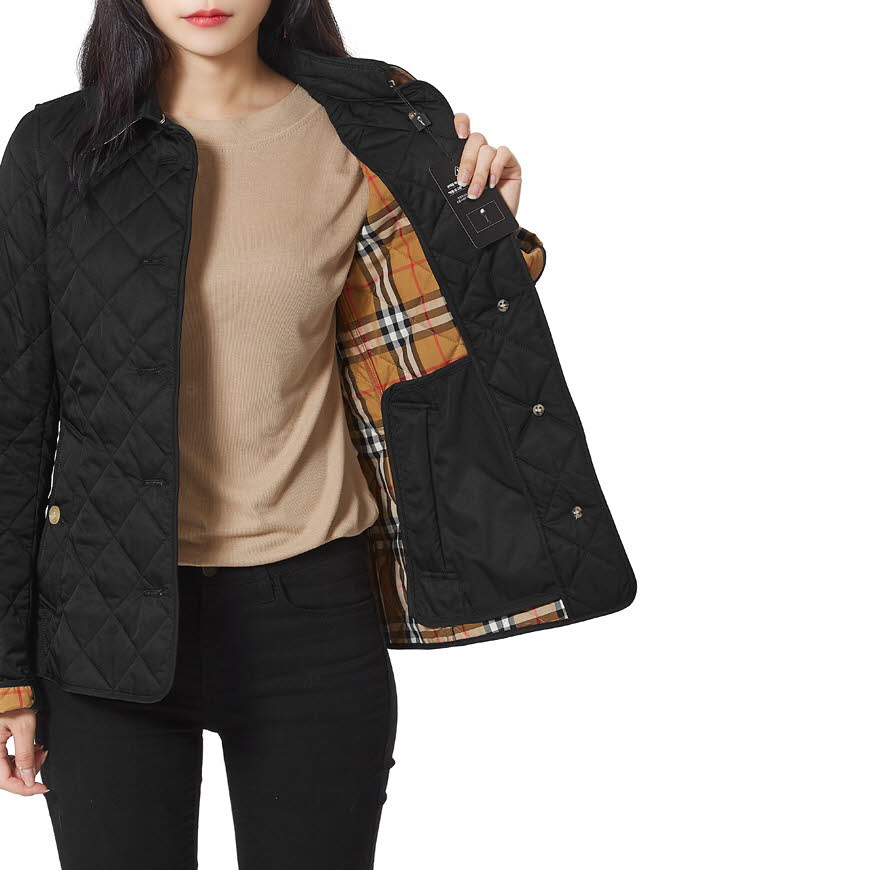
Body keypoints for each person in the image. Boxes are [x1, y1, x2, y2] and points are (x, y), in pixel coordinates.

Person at [0, 1, 636, 867]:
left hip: (312, 618)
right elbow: (15, 419)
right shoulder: (56, 148)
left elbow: (426, 356)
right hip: (103, 620)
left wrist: (481, 237)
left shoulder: (371, 132)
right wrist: (7, 672)